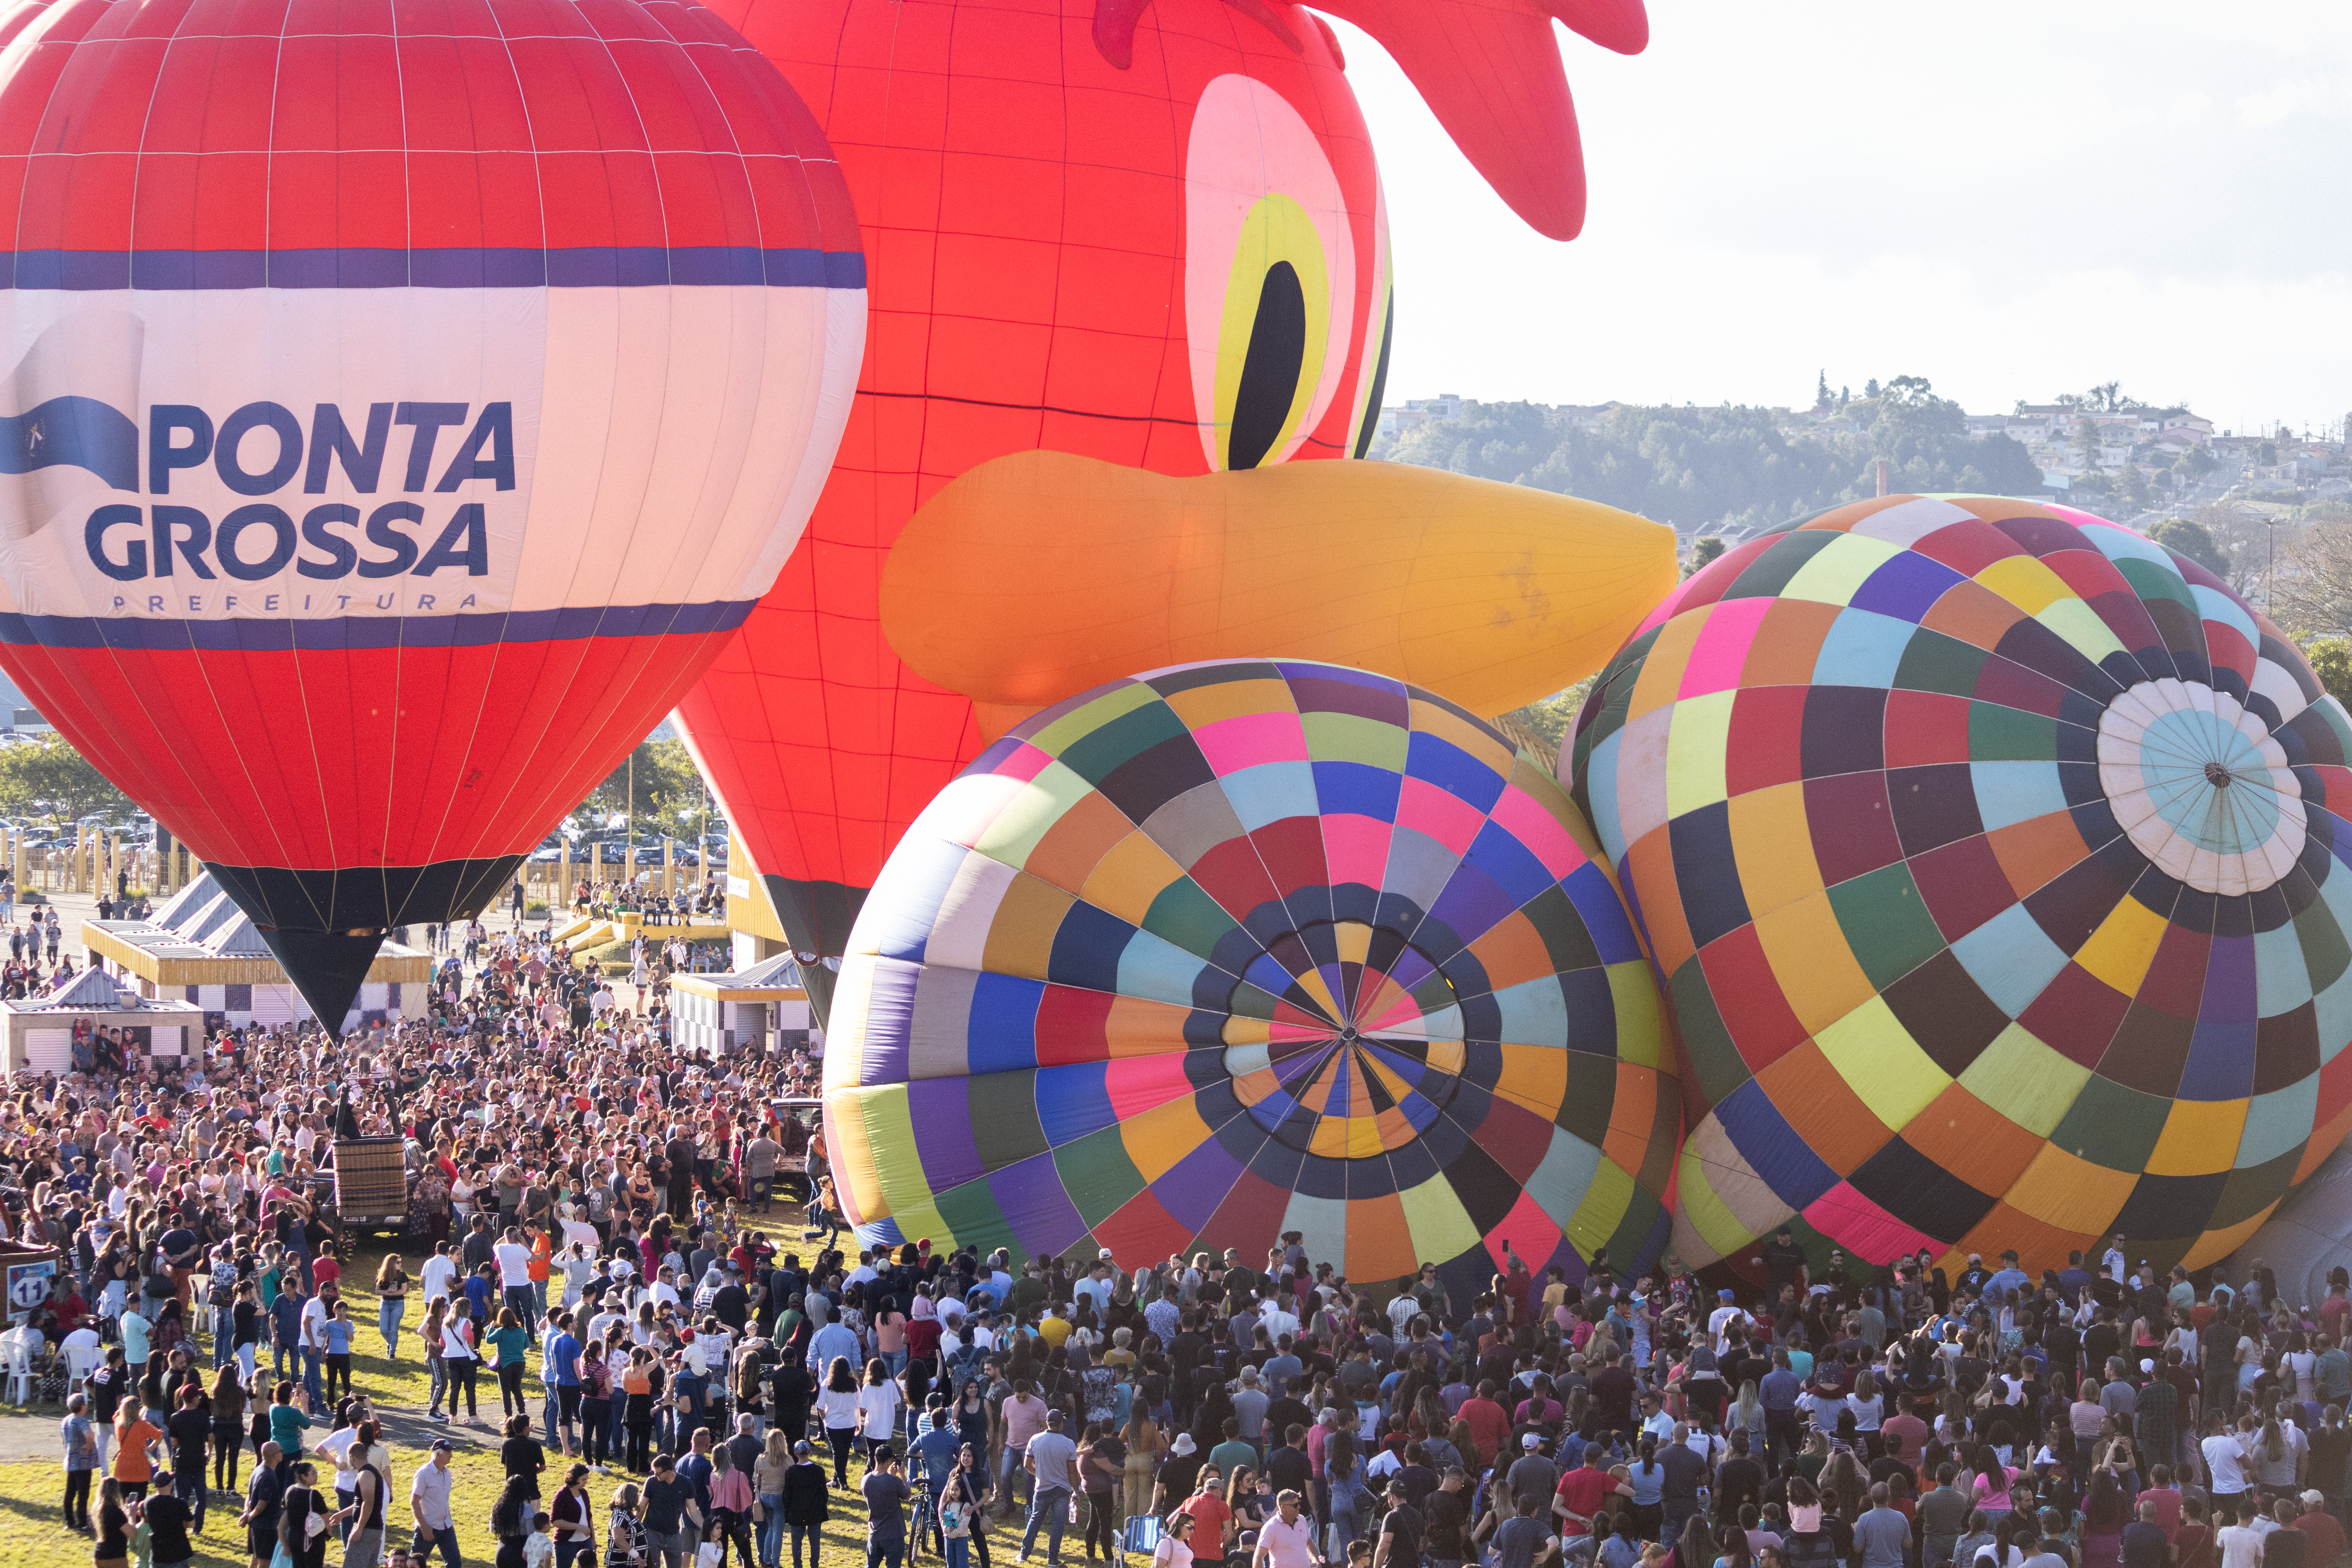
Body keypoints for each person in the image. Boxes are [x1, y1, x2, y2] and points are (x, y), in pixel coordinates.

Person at [1020, 1408, 1080, 1564]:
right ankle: (1053, 1560)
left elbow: (1027, 1465)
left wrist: (1039, 1473)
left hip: (1042, 1488)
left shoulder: (1035, 1439)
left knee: (1035, 1520)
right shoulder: (1069, 1444)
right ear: (1061, 1424)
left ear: (1047, 1423)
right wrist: (1076, 1490)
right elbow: (1072, 1472)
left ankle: (1024, 1555)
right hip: (1062, 1490)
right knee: (1058, 1524)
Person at [642, 1452, 704, 1568]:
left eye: (658, 1473)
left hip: (673, 1535)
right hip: (652, 1533)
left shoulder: (686, 1483)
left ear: (669, 1472)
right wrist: (634, 1531)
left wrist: (706, 1529)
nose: (655, 1476)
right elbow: (641, 1508)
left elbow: (693, 1511)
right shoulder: (651, 1482)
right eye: (654, 1472)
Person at [412, 1437, 461, 1568]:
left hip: (446, 1527)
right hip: (428, 1527)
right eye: (448, 1452)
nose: (451, 1455)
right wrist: (423, 1527)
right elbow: (414, 1502)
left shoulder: (447, 1473)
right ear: (438, 1454)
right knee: (414, 1564)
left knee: (455, 1564)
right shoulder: (424, 1473)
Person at [782, 1440, 832, 1568]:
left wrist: (787, 1511)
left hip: (797, 1512)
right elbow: (824, 1493)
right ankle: (814, 1565)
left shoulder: (791, 1471)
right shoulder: (819, 1470)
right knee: (815, 1542)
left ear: (795, 1453)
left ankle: (798, 1565)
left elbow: (787, 1495)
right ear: (809, 1452)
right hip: (815, 1511)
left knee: (796, 1543)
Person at [865, 1445, 913, 1568]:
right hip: (894, 1535)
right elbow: (908, 1495)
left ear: (875, 1458)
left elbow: (883, 1490)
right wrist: (903, 1476)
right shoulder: (894, 1482)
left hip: (875, 1533)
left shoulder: (866, 1480)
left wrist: (891, 1476)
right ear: (888, 1461)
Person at [63, 1389, 100, 1534]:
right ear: (83, 1407)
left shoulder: (66, 1421)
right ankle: (83, 1524)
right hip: (83, 1463)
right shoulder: (81, 1420)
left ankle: (69, 1522)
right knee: (83, 1494)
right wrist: (89, 1445)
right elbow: (88, 1435)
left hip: (71, 1461)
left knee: (70, 1492)